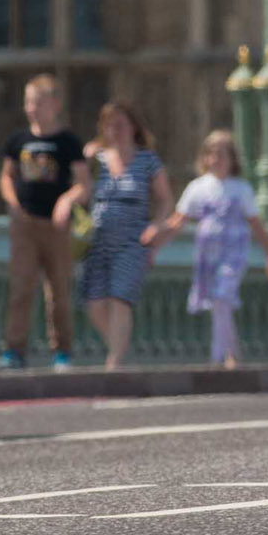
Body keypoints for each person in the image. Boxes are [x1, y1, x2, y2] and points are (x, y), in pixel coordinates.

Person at [146, 129, 268, 369]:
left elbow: (257, 225)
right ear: (205, 158)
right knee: (220, 304)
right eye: (212, 154)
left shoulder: (241, 189)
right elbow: (177, 222)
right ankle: (233, 353)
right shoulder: (198, 188)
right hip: (208, 254)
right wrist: (155, 243)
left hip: (233, 253)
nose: (217, 159)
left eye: (223, 154)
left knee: (222, 296)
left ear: (232, 160)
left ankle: (216, 358)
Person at [59, 99, 169, 370]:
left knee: (120, 298)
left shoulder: (147, 161)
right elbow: (81, 188)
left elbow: (166, 200)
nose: (115, 130)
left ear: (133, 127)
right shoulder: (96, 160)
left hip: (133, 241)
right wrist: (66, 201)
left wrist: (156, 226)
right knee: (94, 301)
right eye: (110, 125)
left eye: (121, 124)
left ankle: (114, 364)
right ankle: (119, 348)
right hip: (97, 241)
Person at [0, 73, 88, 371]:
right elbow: (7, 176)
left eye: (38, 102)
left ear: (55, 104)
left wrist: (67, 200)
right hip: (25, 222)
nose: (32, 108)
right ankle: (14, 350)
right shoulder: (18, 140)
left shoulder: (68, 142)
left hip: (56, 226)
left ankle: (62, 351)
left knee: (58, 290)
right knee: (21, 287)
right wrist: (12, 202)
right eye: (28, 102)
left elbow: (84, 184)